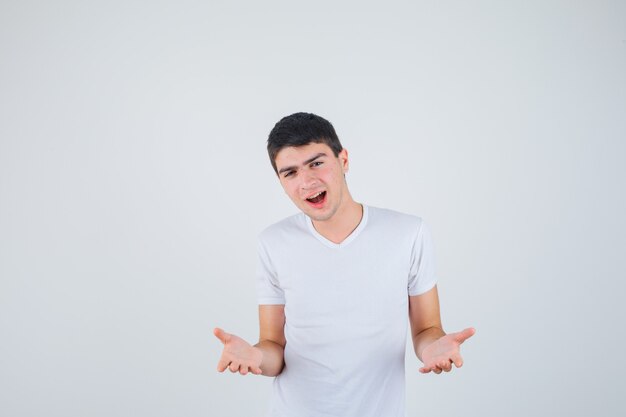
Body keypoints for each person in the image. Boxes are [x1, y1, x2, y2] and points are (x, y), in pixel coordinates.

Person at [213, 112, 476, 417]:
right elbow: (274, 346)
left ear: (344, 160)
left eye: (316, 163)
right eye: (291, 173)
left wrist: (434, 349)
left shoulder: (409, 233)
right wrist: (256, 357)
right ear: (281, 181)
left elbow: (427, 329)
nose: (307, 182)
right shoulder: (273, 243)